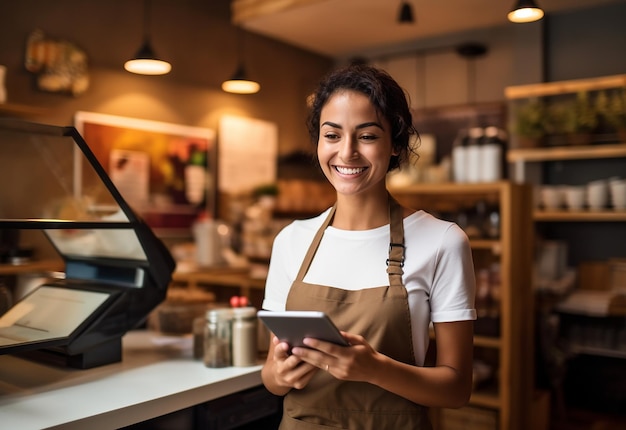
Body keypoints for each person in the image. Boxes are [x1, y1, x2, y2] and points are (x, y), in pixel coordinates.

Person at [260, 63, 476, 429]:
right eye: (332, 135)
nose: (347, 153)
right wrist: (282, 375)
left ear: (394, 144)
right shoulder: (291, 241)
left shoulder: (443, 241)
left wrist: (375, 369)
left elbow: (456, 389)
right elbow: (270, 377)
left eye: (367, 136)